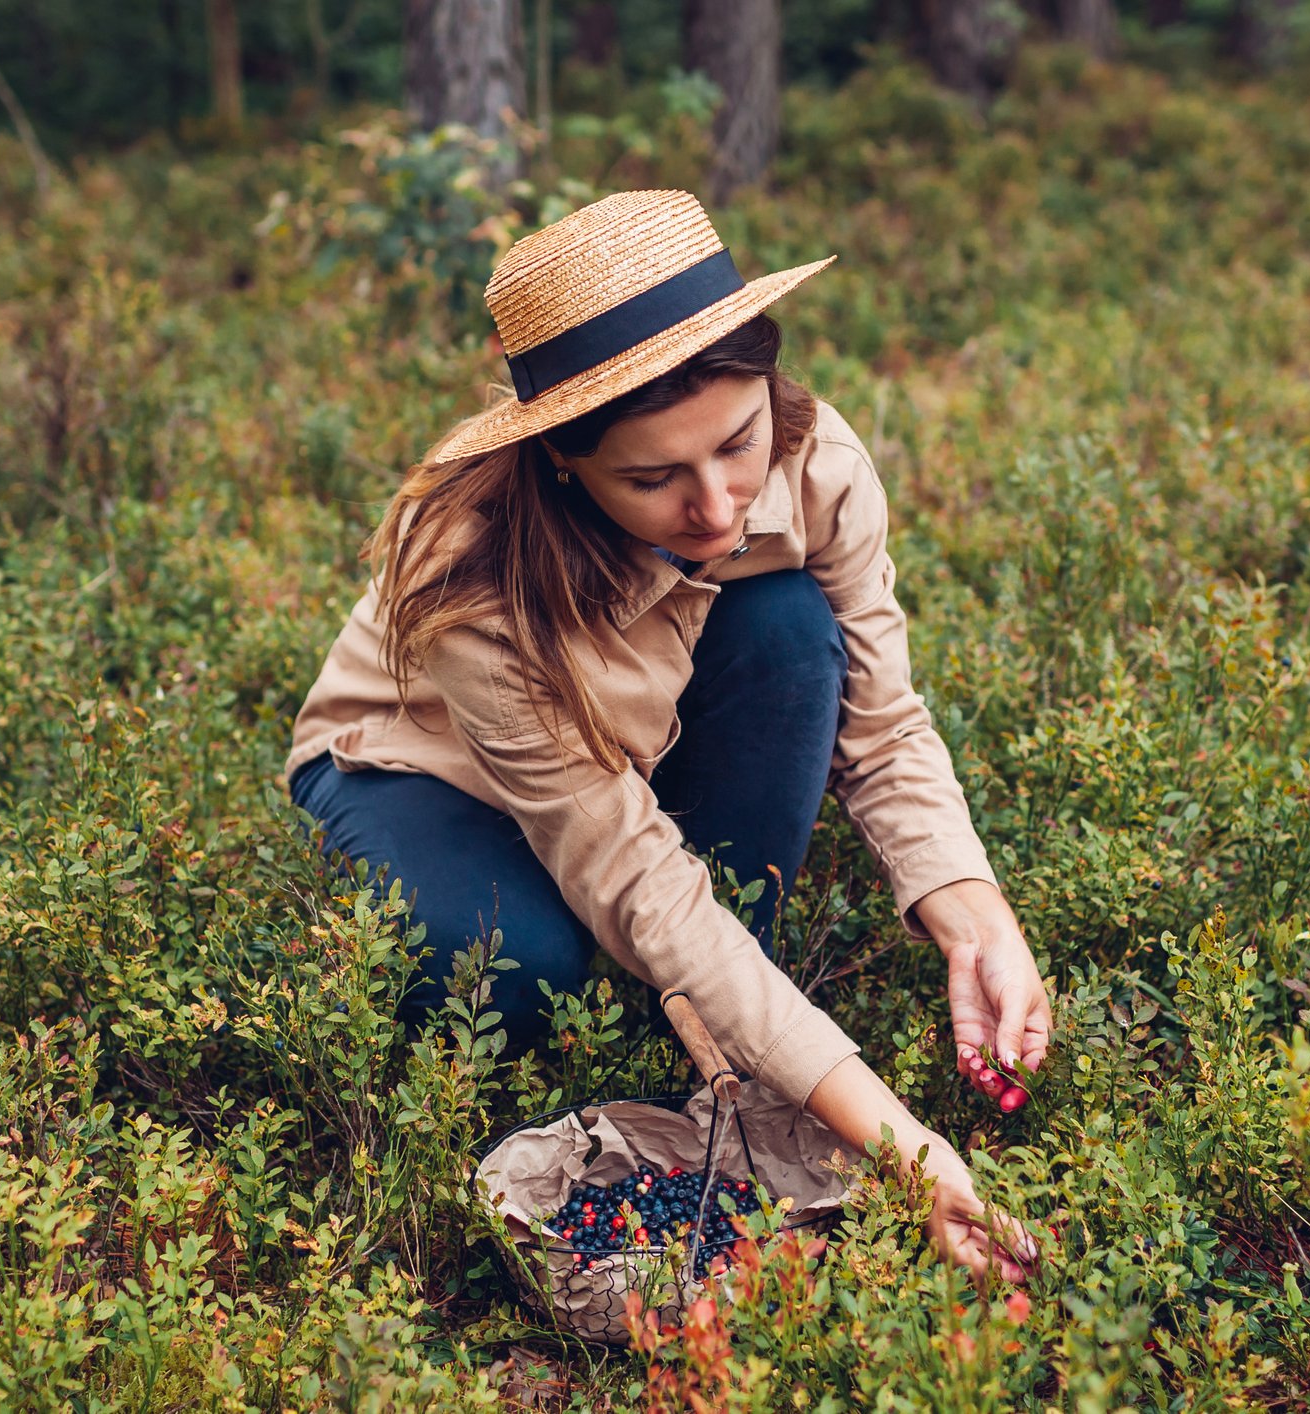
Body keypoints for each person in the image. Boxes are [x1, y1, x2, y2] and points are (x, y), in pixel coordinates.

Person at [283, 189, 1050, 1280]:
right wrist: (902, 1144)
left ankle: (735, 994)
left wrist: (977, 924)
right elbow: (634, 875)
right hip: (422, 767)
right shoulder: (471, 580)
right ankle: (699, 998)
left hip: (640, 742)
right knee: (519, 973)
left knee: (792, 627)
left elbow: (881, 728)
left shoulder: (818, 464)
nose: (719, 507)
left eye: (738, 443)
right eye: (651, 479)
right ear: (563, 457)